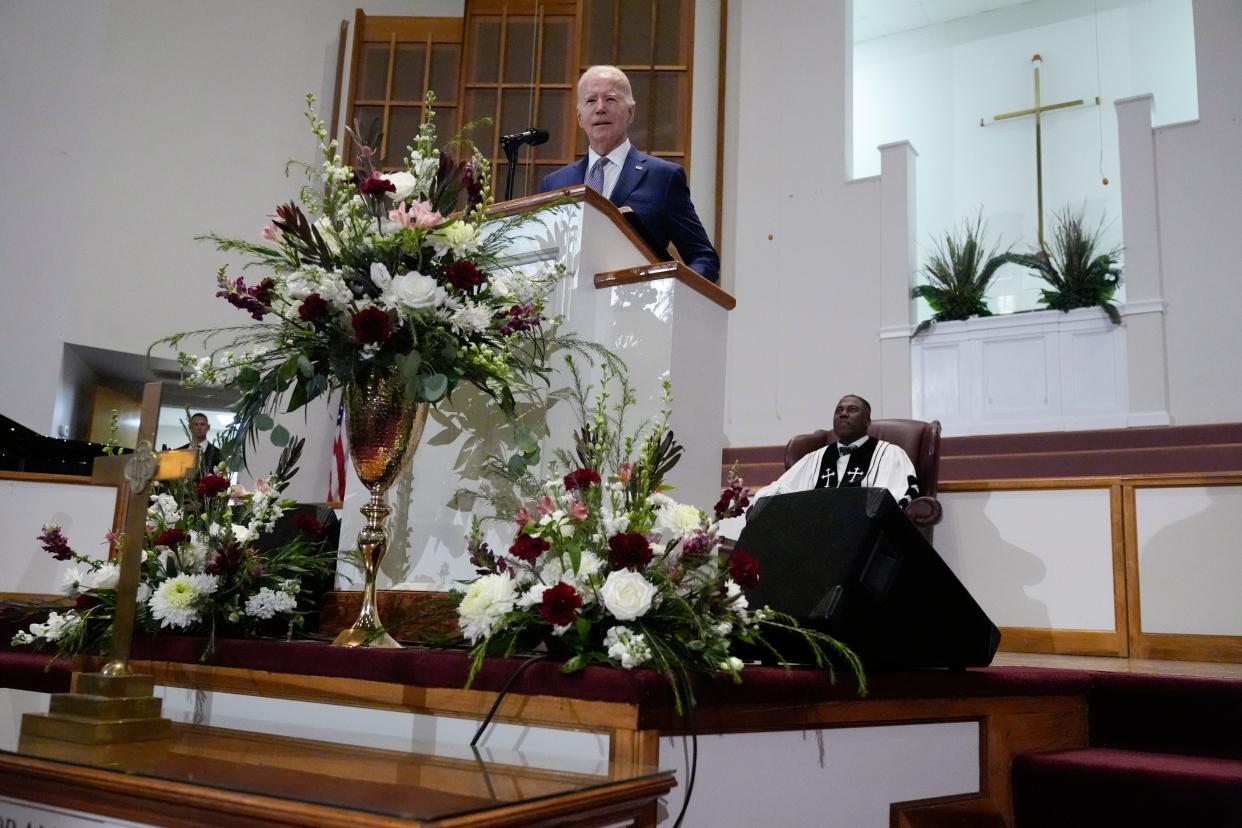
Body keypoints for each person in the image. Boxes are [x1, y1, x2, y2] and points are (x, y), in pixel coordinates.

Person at [539, 65, 720, 283]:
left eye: (611, 99)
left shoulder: (663, 177)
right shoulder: (555, 183)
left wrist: (673, 291)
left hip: (638, 309)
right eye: (590, 101)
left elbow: (703, 257)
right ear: (579, 117)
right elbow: (543, 256)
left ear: (631, 113)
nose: (600, 108)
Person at [753, 395, 920, 508]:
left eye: (852, 409)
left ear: (867, 421)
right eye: (839, 411)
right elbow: (782, 489)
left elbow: (898, 500)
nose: (844, 414)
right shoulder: (815, 459)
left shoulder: (889, 454)